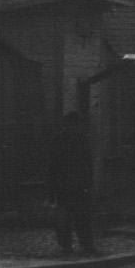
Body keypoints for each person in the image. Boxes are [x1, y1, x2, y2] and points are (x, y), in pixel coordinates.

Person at [49, 109, 97, 256]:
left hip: (63, 184)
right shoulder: (82, 139)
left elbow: (52, 164)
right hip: (78, 184)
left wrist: (52, 186)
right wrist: (89, 182)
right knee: (81, 216)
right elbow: (88, 163)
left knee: (64, 218)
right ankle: (86, 245)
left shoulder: (58, 139)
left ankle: (66, 246)